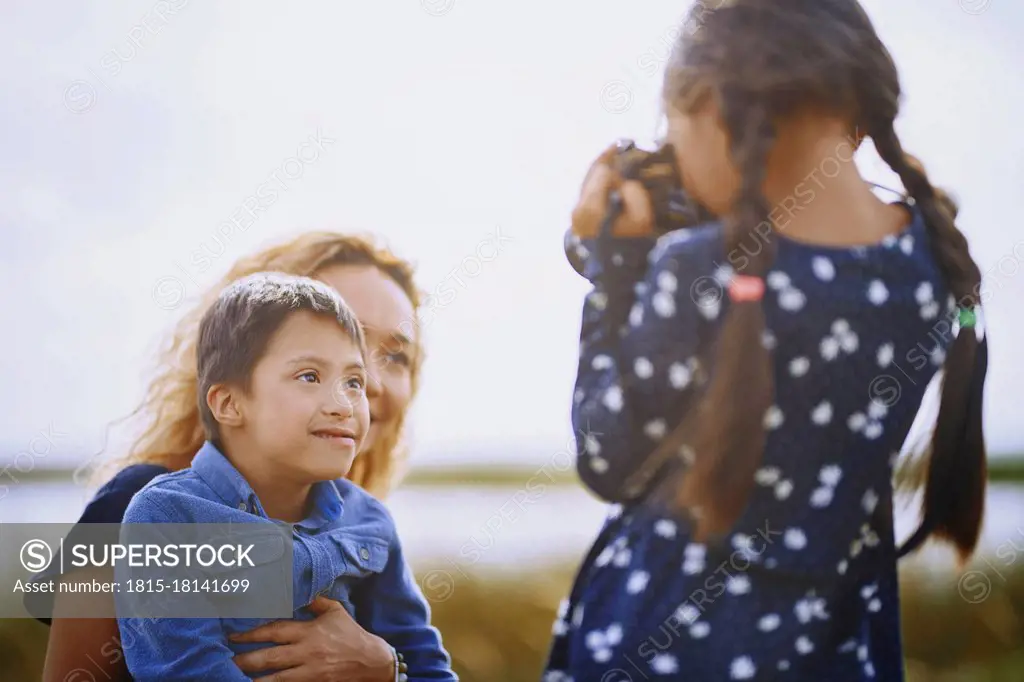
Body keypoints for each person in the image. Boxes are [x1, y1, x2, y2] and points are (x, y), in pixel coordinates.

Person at [544, 1, 988, 680]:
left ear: (717, 113)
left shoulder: (696, 267)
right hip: (840, 649)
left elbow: (609, 458)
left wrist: (617, 263)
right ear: (862, 110)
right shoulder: (934, 265)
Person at [41, 232, 429, 682]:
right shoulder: (139, 504)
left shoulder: (362, 522)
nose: (369, 380)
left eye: (396, 356)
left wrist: (387, 669)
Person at [114, 272, 454, 680]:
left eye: (354, 381)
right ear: (230, 403)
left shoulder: (368, 520)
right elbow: (188, 671)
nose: (344, 404)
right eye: (309, 376)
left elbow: (426, 666)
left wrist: (389, 671)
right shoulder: (168, 516)